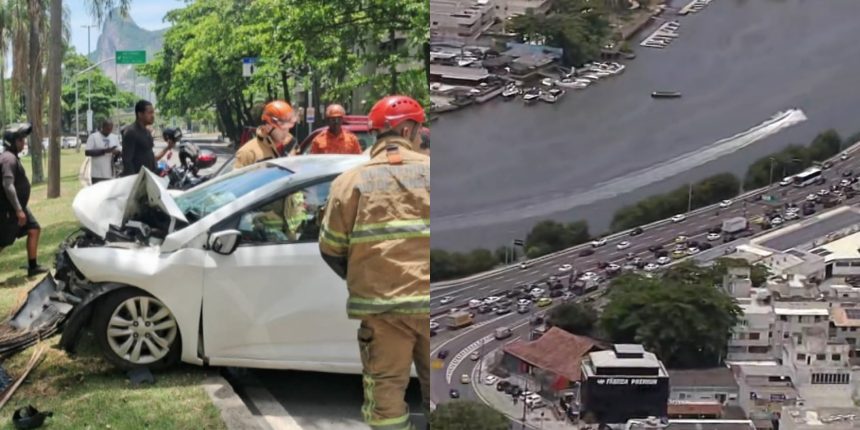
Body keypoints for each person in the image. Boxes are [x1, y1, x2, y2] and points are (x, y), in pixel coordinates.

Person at [318, 95, 429, 430]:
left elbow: (331, 248)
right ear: (408, 129)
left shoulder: (349, 182)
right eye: (420, 129)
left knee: (386, 399)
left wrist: (367, 276)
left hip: (382, 310)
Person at [0, 123, 48, 276]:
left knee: (34, 228)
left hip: (19, 206)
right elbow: (8, 185)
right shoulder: (8, 159)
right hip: (9, 209)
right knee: (2, 242)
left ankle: (33, 267)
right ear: (11, 142)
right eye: (20, 140)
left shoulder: (12, 157)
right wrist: (18, 210)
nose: (23, 142)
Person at [235, 100, 296, 169]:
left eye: (288, 127)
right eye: (283, 128)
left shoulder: (292, 145)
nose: (286, 132)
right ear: (268, 126)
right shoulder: (247, 153)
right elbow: (238, 179)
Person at [122, 100, 174, 176]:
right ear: (140, 114)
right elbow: (127, 161)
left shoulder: (147, 132)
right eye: (149, 113)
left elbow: (151, 157)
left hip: (150, 177)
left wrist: (168, 147)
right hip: (139, 180)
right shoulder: (131, 132)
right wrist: (135, 182)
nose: (153, 115)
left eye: (153, 113)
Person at [84, 118, 120, 184]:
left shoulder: (115, 137)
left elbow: (118, 153)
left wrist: (117, 153)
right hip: (97, 174)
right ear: (102, 127)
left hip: (111, 173)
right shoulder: (93, 137)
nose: (109, 131)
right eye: (107, 129)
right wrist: (104, 151)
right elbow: (87, 152)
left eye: (111, 129)